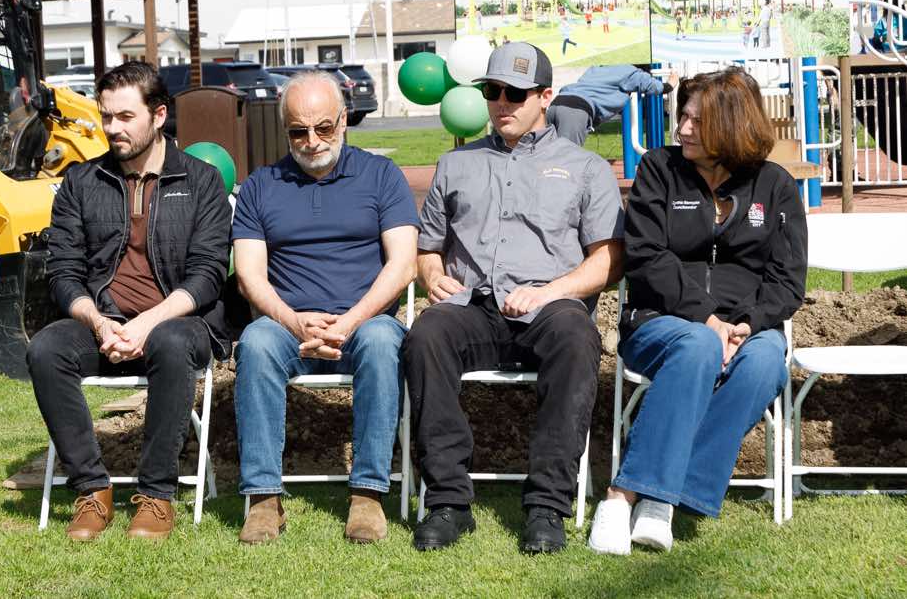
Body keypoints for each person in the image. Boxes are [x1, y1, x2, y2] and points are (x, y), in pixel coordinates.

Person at [404, 41, 624, 554]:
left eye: (515, 93)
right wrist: (431, 274)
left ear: (545, 96)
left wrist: (549, 292)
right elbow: (427, 247)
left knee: (577, 337)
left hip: (551, 307)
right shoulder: (455, 164)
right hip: (473, 307)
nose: (502, 102)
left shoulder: (585, 167)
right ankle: (448, 502)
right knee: (425, 335)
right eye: (493, 91)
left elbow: (609, 261)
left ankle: (547, 505)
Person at [587, 67, 807, 555]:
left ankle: (660, 494)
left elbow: (788, 280)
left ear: (732, 127)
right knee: (698, 343)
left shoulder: (776, 185)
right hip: (659, 321)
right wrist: (709, 320)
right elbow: (646, 256)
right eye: (683, 117)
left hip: (748, 326)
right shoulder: (658, 170)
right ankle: (622, 499)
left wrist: (745, 324)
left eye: (698, 121)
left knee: (765, 363)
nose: (683, 129)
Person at [27, 61, 231, 542]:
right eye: (106, 116)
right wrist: (99, 322)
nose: (113, 128)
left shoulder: (200, 181)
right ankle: (91, 490)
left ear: (158, 115)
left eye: (125, 117)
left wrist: (145, 325)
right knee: (46, 350)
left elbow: (208, 275)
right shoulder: (82, 182)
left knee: (170, 342)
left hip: (180, 321)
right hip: (103, 323)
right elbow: (63, 272)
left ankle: (156, 495)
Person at [232, 70, 419, 546]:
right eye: (298, 131)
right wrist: (293, 321)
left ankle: (368, 494)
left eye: (323, 127)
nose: (312, 141)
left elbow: (403, 265)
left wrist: (350, 321)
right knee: (255, 343)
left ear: (344, 120)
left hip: (364, 321)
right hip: (287, 325)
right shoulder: (260, 186)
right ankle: (263, 498)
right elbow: (250, 276)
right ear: (285, 130)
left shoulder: (381, 176)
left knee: (382, 341)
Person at [548, 64, 678, 147]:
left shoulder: (597, 69)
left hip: (556, 103)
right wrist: (670, 85)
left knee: (544, 153)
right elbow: (651, 86)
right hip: (575, 111)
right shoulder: (632, 72)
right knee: (567, 161)